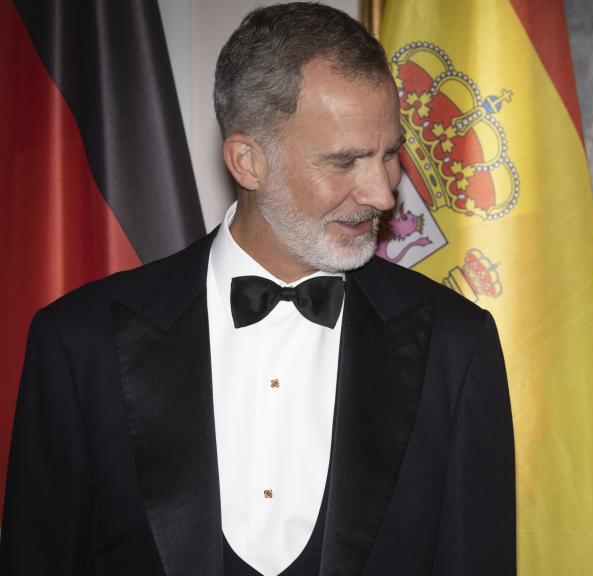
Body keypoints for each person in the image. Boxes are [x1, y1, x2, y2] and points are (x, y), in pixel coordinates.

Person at [0, 4, 515, 575]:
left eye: (389, 153)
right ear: (247, 161)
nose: (383, 194)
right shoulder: (79, 344)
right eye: (345, 162)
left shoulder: (455, 346)